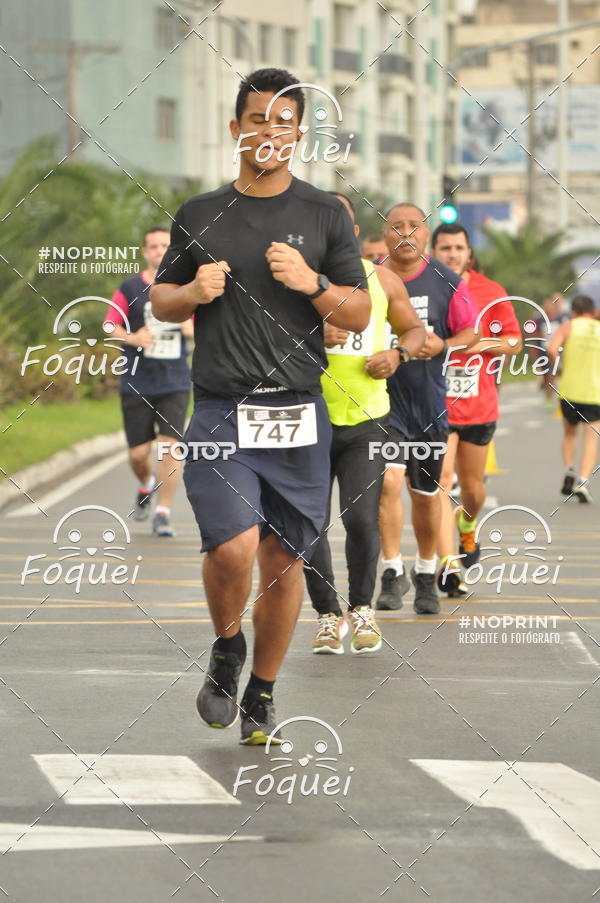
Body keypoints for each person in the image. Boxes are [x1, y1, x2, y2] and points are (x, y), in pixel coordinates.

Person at [150, 68, 370, 744]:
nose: (269, 131)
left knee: (284, 561)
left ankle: (263, 694)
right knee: (232, 547)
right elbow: (160, 299)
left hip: (300, 414)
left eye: (283, 121)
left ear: (298, 132)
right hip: (221, 408)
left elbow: (358, 310)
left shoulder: (326, 213)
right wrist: (194, 293)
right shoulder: (199, 213)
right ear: (236, 127)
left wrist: (313, 284)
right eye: (257, 119)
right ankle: (226, 647)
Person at [305, 193, 425, 654]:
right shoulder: (295, 283)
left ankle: (361, 609)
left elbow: (415, 330)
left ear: (352, 233)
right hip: (307, 418)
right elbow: (261, 336)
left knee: (359, 519)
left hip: (367, 420)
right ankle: (326, 616)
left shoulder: (382, 279)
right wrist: (312, 335)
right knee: (309, 523)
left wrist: (399, 353)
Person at [376, 205, 477, 614]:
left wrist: (444, 345)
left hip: (428, 406)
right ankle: (389, 571)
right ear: (384, 235)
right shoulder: (369, 278)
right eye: (395, 226)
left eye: (413, 227)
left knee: (425, 495)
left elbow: (470, 332)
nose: (404, 233)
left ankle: (424, 573)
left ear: (425, 234)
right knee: (387, 482)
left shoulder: (447, 282)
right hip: (383, 404)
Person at [431, 222, 522, 595]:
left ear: (469, 252)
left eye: (458, 247)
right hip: (434, 406)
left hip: (479, 406)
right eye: (445, 248)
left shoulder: (490, 291)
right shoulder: (421, 287)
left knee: (473, 490)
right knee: (440, 481)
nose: (452, 253)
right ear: (433, 252)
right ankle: (449, 565)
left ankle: (467, 525)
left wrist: (475, 345)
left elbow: (514, 342)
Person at [105, 227, 193, 537]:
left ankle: (163, 512)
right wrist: (133, 337)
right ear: (145, 251)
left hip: (175, 381)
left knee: (169, 448)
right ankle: (146, 485)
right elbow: (109, 325)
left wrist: (185, 326)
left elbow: (203, 329)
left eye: (165, 246)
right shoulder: (129, 288)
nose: (159, 250)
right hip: (136, 380)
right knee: (139, 454)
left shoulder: (184, 287)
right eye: (153, 246)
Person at [548, 294, 600, 503]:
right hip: (594, 392)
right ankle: (583, 481)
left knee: (570, 434)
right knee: (591, 439)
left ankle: (569, 468)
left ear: (575, 312)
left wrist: (560, 366)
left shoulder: (568, 327)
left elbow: (552, 349)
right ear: (593, 312)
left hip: (569, 390)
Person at [535, 293, 568, 411]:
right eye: (545, 305)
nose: (547, 307)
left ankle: (555, 398)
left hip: (558, 351)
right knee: (547, 377)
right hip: (544, 351)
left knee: (553, 375)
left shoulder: (561, 318)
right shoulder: (539, 319)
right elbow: (536, 337)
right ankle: (547, 395)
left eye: (549, 304)